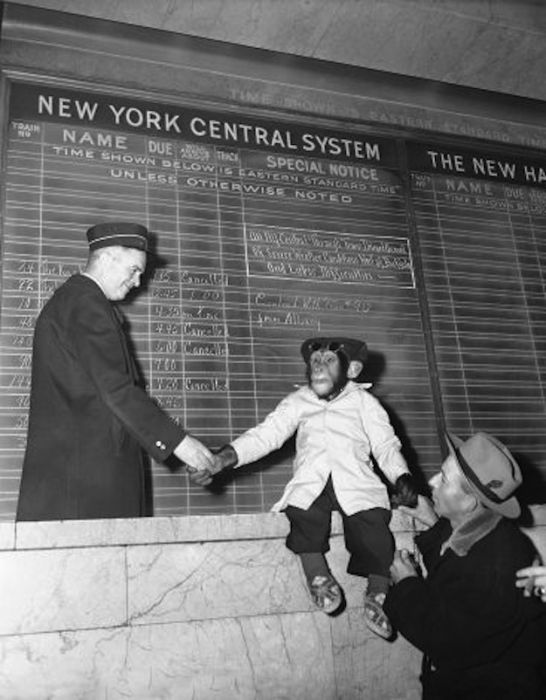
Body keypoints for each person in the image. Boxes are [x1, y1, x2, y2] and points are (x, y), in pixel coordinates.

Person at [190, 336, 418, 638]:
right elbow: (266, 435)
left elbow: (385, 446)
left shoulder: (365, 403)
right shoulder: (298, 401)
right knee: (302, 511)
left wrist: (402, 477)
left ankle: (378, 592)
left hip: (356, 481)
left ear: (352, 370)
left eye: (329, 361)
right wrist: (223, 459)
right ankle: (317, 574)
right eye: (314, 362)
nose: (319, 368)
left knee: (373, 523)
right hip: (314, 480)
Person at [16, 222, 213, 521]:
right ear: (106, 258)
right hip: (87, 488)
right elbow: (116, 389)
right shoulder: (86, 304)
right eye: (134, 270)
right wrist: (180, 443)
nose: (136, 283)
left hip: (75, 483)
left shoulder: (71, 301)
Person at [384, 431, 546, 700]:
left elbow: (448, 639)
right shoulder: (485, 531)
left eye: (444, 479)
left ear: (470, 501)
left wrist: (406, 585)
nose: (433, 481)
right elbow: (459, 580)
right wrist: (436, 526)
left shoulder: (500, 560)